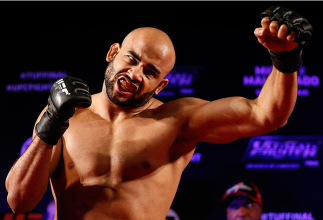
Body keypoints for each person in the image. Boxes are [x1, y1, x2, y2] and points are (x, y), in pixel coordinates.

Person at [5, 6, 312, 220]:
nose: (136, 74)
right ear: (113, 53)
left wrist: (285, 59)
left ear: (162, 83)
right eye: (131, 59)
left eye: (150, 71)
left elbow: (267, 115)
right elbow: (19, 201)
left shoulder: (176, 121)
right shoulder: (65, 115)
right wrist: (50, 126)